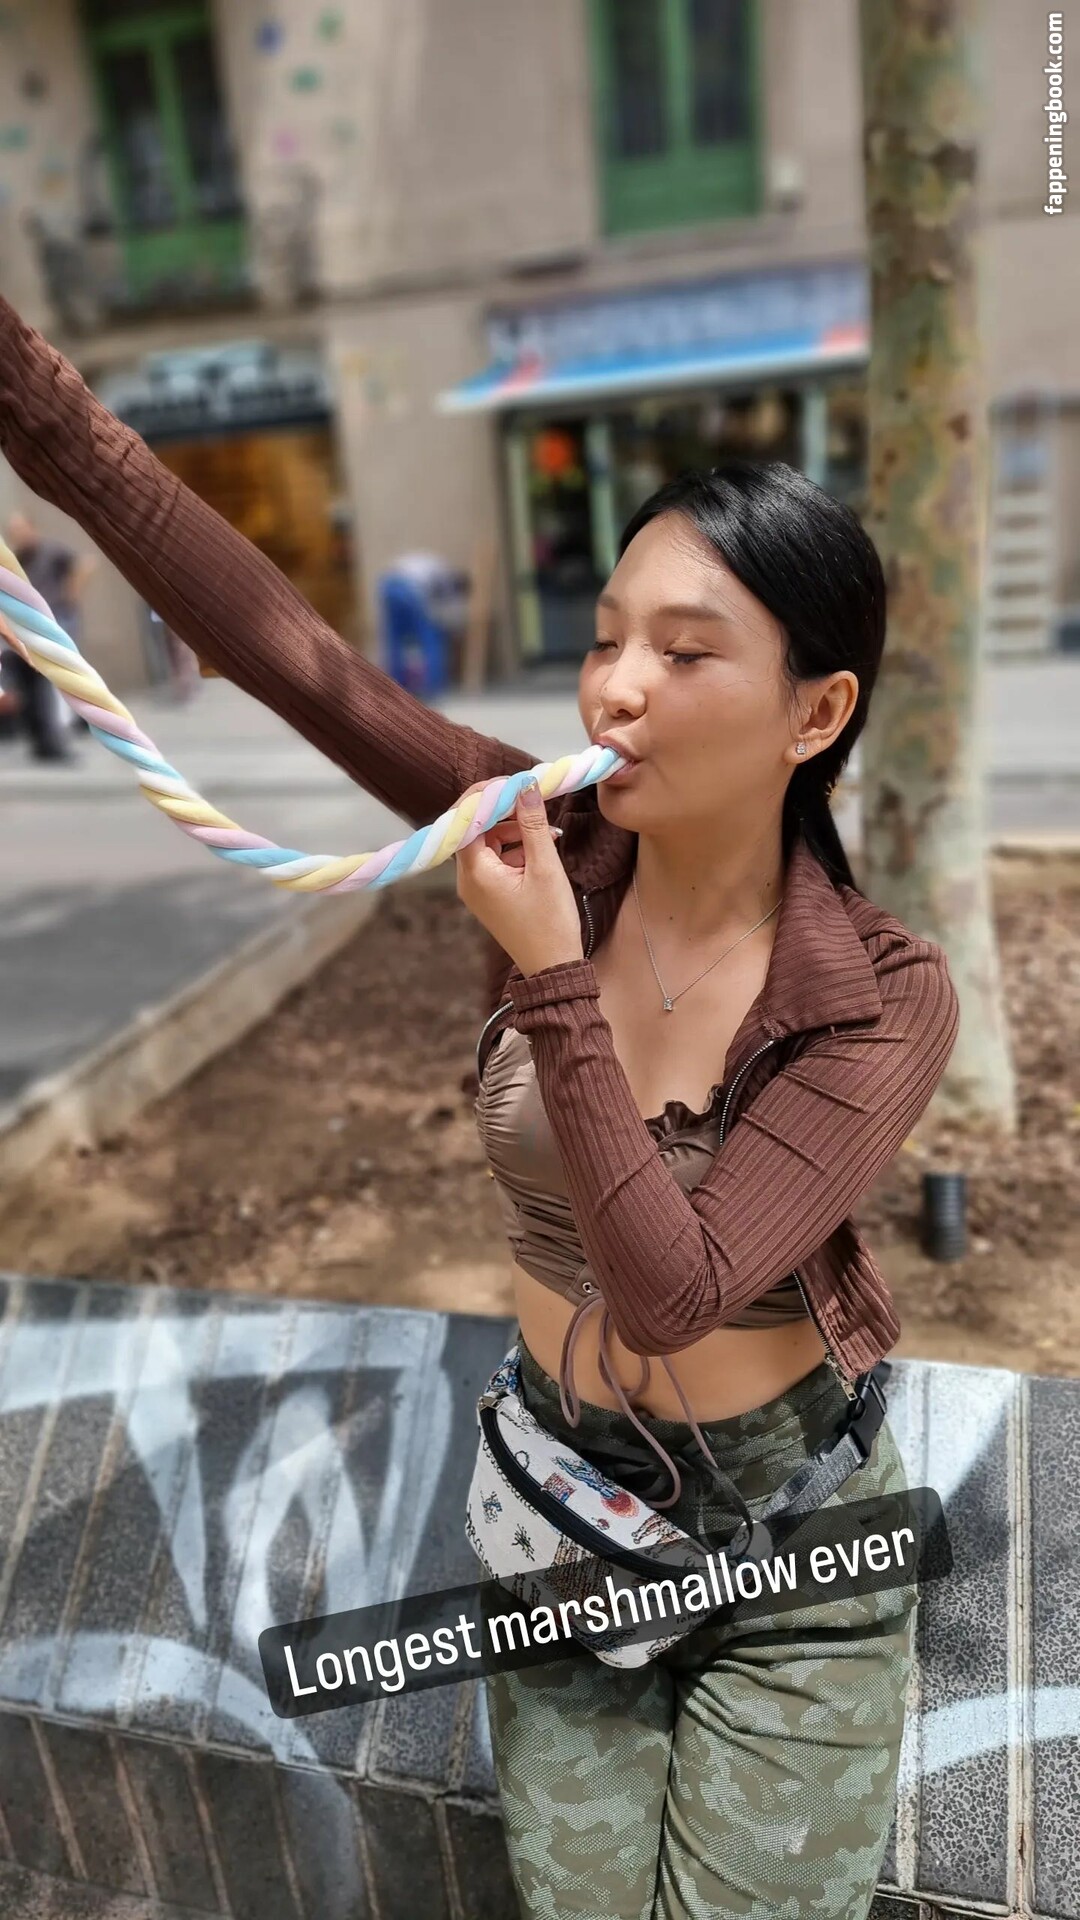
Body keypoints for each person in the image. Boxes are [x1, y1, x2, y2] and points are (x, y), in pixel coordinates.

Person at [0, 295, 958, 1918]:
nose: (615, 692)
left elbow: (671, 1291)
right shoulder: (547, 831)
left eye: (685, 652)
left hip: (788, 1544)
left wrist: (554, 982)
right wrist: (37, 406)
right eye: (606, 638)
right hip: (560, 1499)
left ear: (816, 713)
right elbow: (297, 661)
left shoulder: (885, 994)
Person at [3, 508, 97, 760]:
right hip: (26, 629)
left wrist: (71, 593)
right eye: (14, 532)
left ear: (32, 529)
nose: (19, 535)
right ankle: (43, 741)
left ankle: (56, 740)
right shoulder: (17, 559)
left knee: (49, 682)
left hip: (54, 623)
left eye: (21, 530)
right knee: (29, 682)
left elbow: (85, 563)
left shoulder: (51, 551)